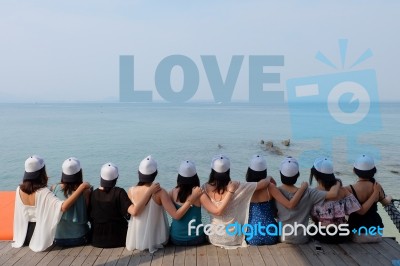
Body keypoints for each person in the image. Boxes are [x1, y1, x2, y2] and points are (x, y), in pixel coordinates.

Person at [12, 155, 90, 252]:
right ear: (42, 172)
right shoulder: (44, 192)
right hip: (39, 236)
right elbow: (63, 207)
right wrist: (81, 187)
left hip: (24, 235)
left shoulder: (19, 190)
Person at [126, 156, 202, 253]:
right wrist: (191, 199)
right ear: (155, 174)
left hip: (136, 240)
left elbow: (133, 212)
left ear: (138, 173)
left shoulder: (131, 191)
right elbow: (176, 215)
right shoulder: (160, 192)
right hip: (158, 240)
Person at [202, 155, 271, 249]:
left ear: (212, 171)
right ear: (228, 171)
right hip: (234, 238)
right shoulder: (237, 186)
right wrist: (269, 178)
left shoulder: (204, 188)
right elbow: (262, 184)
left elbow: (216, 211)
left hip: (215, 238)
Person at [90, 162, 160, 248]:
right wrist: (149, 192)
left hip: (96, 240)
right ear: (116, 178)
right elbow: (134, 211)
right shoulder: (119, 192)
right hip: (119, 239)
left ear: (101, 177)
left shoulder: (93, 194)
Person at [169, 160, 238, 246]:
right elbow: (217, 211)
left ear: (179, 177)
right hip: (196, 238)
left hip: (176, 239)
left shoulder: (172, 193)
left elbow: (174, 215)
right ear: (195, 177)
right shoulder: (199, 194)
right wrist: (230, 192)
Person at [275, 156, 341, 244]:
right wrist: (338, 182)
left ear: (280, 173)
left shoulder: (275, 193)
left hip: (281, 237)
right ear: (298, 174)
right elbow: (333, 194)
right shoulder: (309, 193)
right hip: (302, 239)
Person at [245, 155, 308, 245]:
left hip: (252, 236)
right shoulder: (270, 187)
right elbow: (289, 204)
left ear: (249, 171)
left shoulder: (247, 188)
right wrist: (303, 188)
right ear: (265, 171)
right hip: (271, 234)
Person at [309, 157, 362, 244]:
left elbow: (314, 217)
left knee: (311, 229)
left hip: (323, 235)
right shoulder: (343, 191)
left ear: (315, 176)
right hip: (342, 234)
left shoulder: (313, 193)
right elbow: (356, 208)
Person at [346, 154, 392, 243]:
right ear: (374, 170)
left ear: (354, 171)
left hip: (357, 234)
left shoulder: (349, 189)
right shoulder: (377, 186)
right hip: (377, 234)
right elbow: (386, 203)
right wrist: (390, 197)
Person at [52, 157, 91, 247]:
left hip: (57, 239)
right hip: (80, 238)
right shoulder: (86, 192)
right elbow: (88, 214)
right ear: (80, 172)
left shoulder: (54, 188)